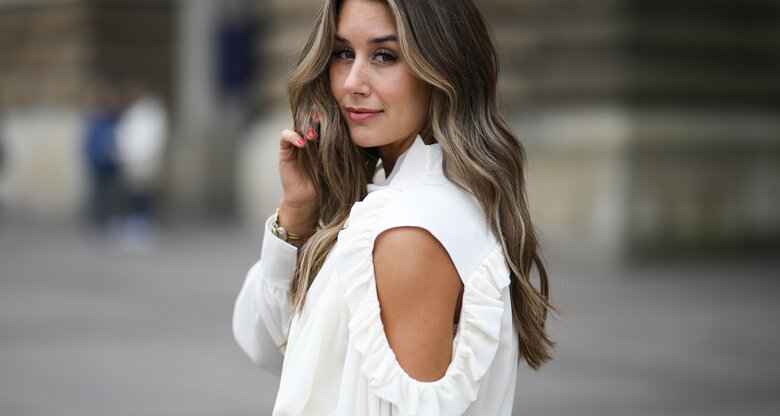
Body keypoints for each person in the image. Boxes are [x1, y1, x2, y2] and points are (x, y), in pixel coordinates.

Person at [233, 0, 556, 414]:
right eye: (343, 52)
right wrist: (297, 213)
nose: (352, 81)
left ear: (441, 70)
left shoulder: (410, 230)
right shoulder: (413, 203)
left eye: (385, 55)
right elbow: (276, 344)